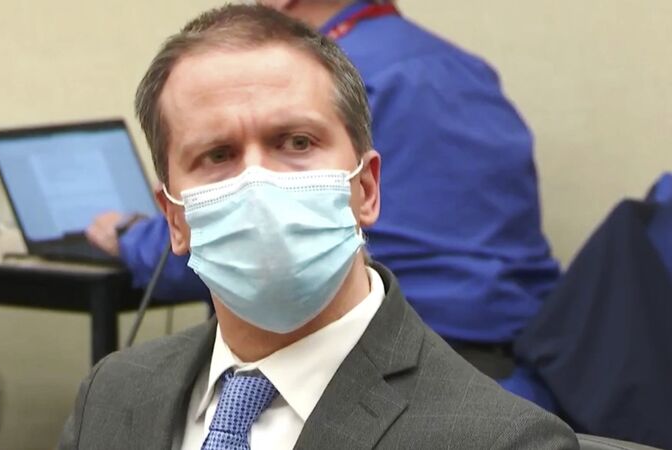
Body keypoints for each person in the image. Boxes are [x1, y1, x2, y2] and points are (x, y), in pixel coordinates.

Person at [62, 5, 577, 449]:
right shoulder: (109, 396)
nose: (258, 186)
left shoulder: (502, 439)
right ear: (175, 216)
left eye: (297, 142)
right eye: (218, 154)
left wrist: (128, 239)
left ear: (366, 189)